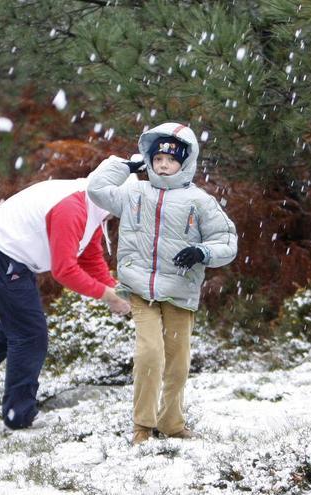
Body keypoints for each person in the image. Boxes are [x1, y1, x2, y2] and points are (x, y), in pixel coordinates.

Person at [88, 122, 237, 445]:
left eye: (170, 159)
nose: (163, 165)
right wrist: (123, 166)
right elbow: (96, 190)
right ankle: (142, 426)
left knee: (178, 363)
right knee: (150, 354)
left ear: (185, 162)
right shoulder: (134, 192)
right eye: (157, 159)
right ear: (149, 160)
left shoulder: (200, 201)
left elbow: (227, 241)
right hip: (139, 289)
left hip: (180, 292)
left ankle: (172, 423)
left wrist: (202, 251)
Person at [0, 179, 131, 429]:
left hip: (7, 253)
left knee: (20, 324)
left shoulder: (94, 205)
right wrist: (107, 295)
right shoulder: (73, 208)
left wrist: (116, 290)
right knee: (31, 333)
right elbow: (64, 271)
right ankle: (19, 417)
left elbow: (89, 257)